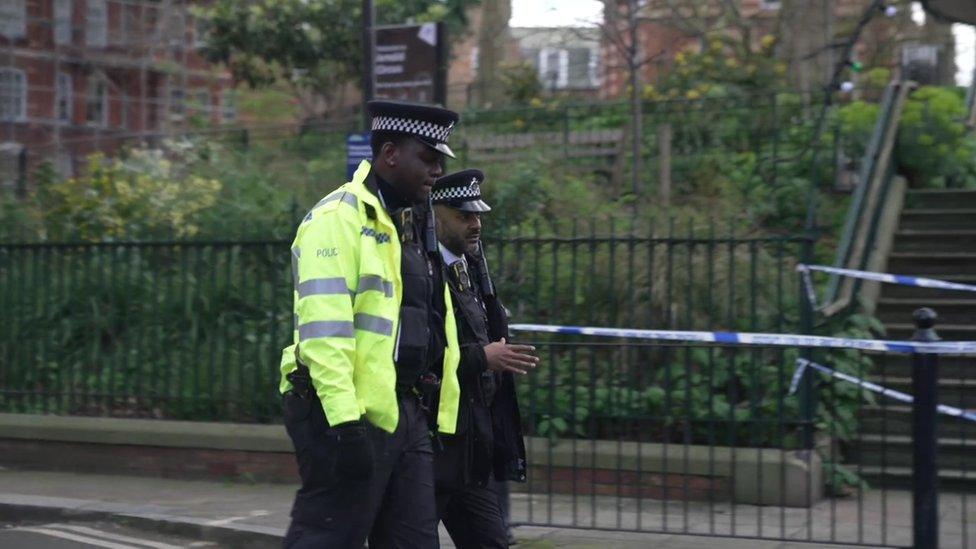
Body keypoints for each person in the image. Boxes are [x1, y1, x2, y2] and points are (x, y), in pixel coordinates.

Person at [278, 100, 466, 548]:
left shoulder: (416, 226)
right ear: (389, 153)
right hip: (340, 413)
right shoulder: (337, 219)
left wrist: (441, 411)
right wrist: (345, 424)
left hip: (405, 412)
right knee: (328, 537)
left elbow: (434, 323)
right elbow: (325, 333)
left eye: (441, 159)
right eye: (428, 156)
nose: (437, 169)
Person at [430, 169, 539, 548]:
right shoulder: (420, 272)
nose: (475, 224)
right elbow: (415, 357)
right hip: (430, 443)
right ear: (434, 214)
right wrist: (483, 357)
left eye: (478, 216)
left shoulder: (471, 269)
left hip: (470, 443)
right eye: (464, 216)